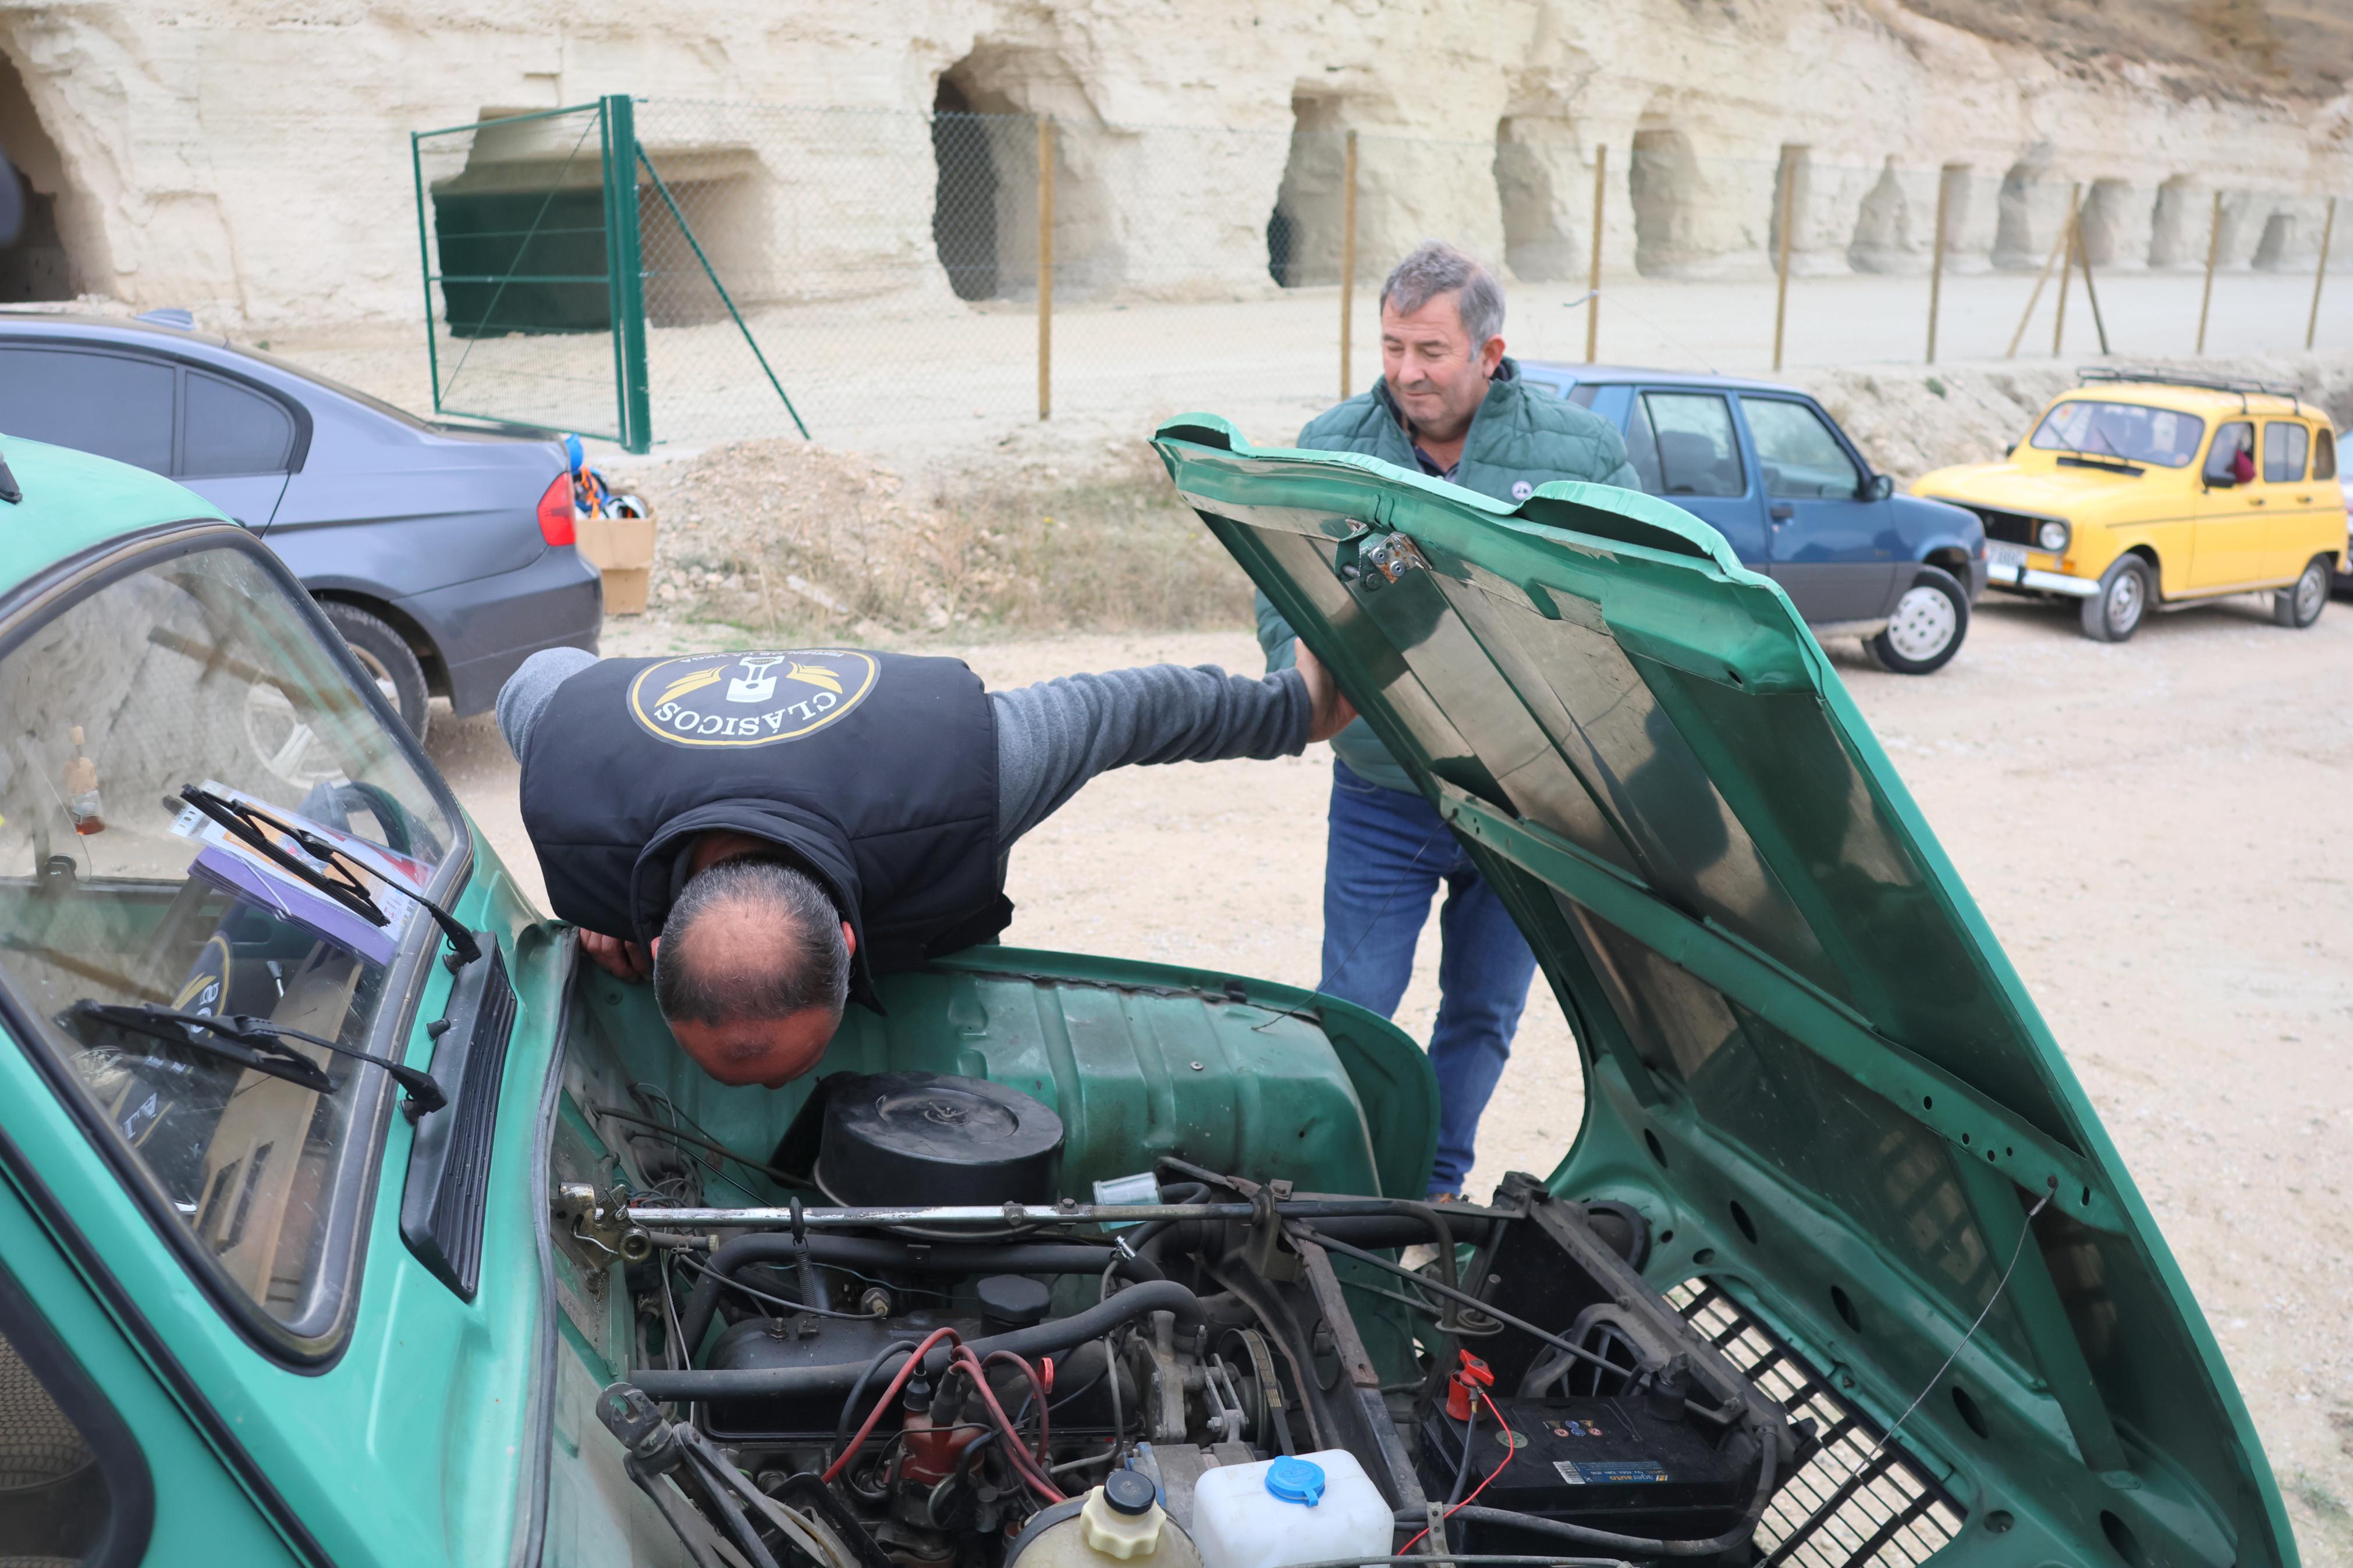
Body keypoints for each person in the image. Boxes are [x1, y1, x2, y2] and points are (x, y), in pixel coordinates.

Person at [497, 643, 1354, 1089]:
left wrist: (1296, 711)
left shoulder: (962, 777)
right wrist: (608, 891)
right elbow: (537, 683)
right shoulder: (575, 775)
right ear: (656, 947)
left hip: (883, 749)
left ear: (847, 939)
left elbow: (1122, 711)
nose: (764, 1098)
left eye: (786, 1072)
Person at [1257, 239, 1639, 1201]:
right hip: (1385, 785)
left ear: (1489, 351)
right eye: (1391, 347)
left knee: (1481, 1013)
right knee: (1354, 1005)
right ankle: (1335, 1183)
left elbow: (1630, 601)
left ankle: (1432, 1186)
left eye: (1429, 351)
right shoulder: (1335, 445)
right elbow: (1283, 586)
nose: (1405, 373)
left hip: (1527, 800)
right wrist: (1295, 686)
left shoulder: (1579, 455)